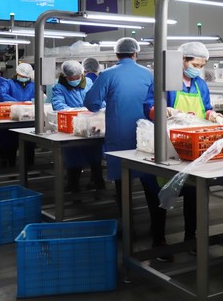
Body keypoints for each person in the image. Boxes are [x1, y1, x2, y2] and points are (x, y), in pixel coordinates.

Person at [142, 42, 223, 260]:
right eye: (195, 64)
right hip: (168, 145)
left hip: (193, 146)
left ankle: (191, 238)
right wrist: (163, 110)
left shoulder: (200, 84)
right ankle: (159, 241)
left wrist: (213, 116)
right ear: (182, 60)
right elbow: (148, 107)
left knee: (194, 193)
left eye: (201, 66)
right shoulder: (165, 81)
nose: (198, 69)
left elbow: (206, 109)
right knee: (160, 193)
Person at [84, 37, 153, 206]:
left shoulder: (107, 74)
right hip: (146, 133)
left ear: (116, 54)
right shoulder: (148, 74)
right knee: (148, 172)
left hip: (119, 133)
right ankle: (152, 209)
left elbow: (92, 103)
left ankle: (125, 209)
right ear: (135, 53)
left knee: (123, 174)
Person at [52, 60, 104, 192]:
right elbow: (58, 104)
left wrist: (99, 108)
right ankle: (73, 186)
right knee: (73, 156)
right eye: (71, 78)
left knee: (95, 155)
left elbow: (99, 100)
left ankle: (98, 182)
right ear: (65, 76)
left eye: (77, 77)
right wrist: (75, 112)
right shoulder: (59, 87)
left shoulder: (89, 83)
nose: (74, 80)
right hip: (72, 126)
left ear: (82, 73)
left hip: (91, 125)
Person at [0, 63, 36, 167]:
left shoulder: (33, 86)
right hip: (11, 120)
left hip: (28, 121)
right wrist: (17, 103)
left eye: (26, 77)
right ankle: (9, 166)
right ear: (17, 73)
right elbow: (0, 95)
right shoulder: (8, 83)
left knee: (29, 146)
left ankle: (29, 168)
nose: (23, 78)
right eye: (22, 76)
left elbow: (39, 98)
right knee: (9, 145)